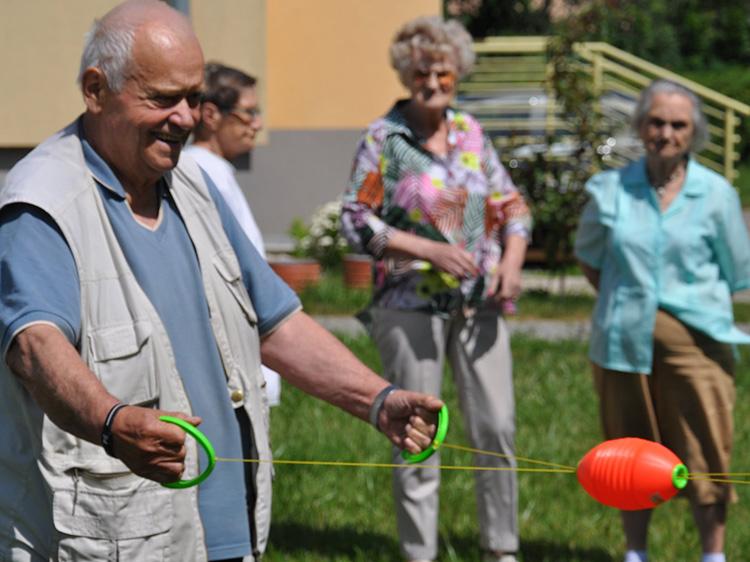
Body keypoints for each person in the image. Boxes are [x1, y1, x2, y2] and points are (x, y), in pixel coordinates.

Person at [0, 2, 443, 561]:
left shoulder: (191, 187)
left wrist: (378, 400)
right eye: (162, 98)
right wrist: (113, 422)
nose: (186, 117)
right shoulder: (42, 203)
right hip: (111, 542)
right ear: (96, 90)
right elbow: (36, 348)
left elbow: (276, 324)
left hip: (225, 536)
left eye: (194, 97)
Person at [340, 16, 531, 562]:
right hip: (409, 304)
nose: (433, 82)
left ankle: (502, 549)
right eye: (422, 71)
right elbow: (357, 219)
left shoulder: (471, 132)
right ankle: (419, 554)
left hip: (480, 304)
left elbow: (511, 205)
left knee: (495, 428)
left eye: (443, 72)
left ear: (458, 74)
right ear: (405, 72)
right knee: (420, 432)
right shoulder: (384, 139)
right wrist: (427, 250)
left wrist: (512, 263)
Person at [574, 79, 750, 562]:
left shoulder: (716, 194)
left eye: (678, 124)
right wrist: (623, 300)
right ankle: (637, 552)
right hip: (621, 345)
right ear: (639, 127)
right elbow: (589, 257)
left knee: (707, 446)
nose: (666, 133)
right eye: (656, 122)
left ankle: (712, 554)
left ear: (693, 133)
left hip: (698, 344)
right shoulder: (609, 189)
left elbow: (737, 270)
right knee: (629, 451)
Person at [185, 62, 282, 407]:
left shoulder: (215, 171)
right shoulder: (204, 173)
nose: (257, 123)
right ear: (210, 115)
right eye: (248, 113)